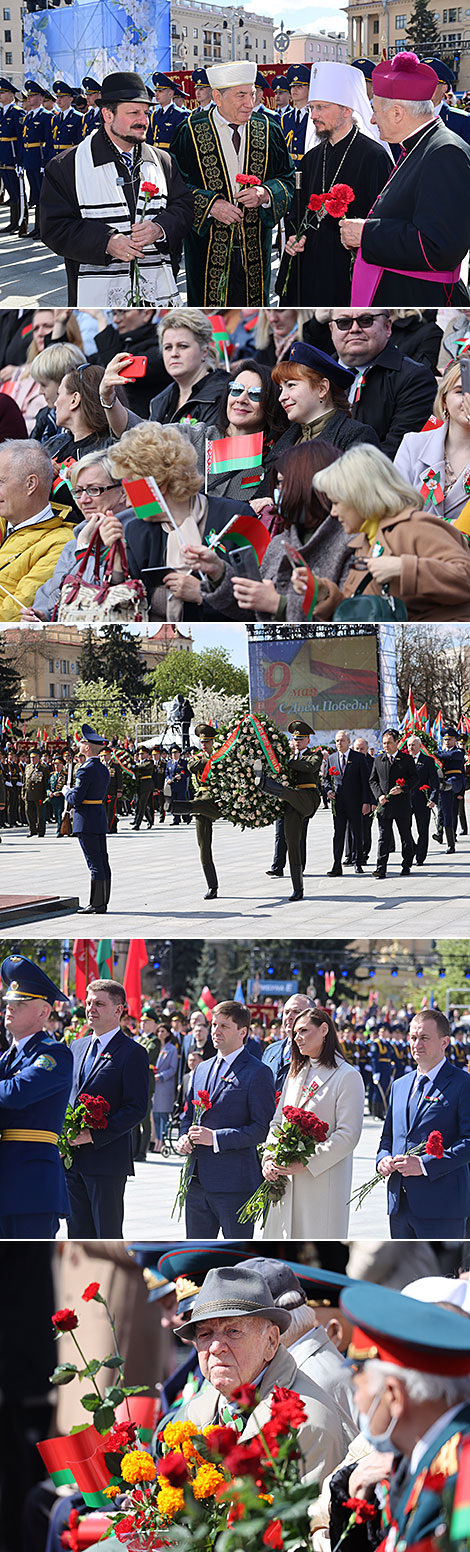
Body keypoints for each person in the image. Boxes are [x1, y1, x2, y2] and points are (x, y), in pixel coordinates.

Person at [180, 1264, 347, 1483]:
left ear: (271, 1341)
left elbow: (309, 1515)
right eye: (205, 1334)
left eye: (233, 1331)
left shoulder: (306, 1420)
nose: (215, 1347)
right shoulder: (199, 1412)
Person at [39, 71, 194, 306]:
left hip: (157, 292)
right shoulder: (66, 166)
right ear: (107, 114)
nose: (144, 120)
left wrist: (160, 228)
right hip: (96, 297)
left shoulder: (163, 160)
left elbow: (184, 208)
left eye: (146, 112)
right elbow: (53, 228)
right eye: (134, 112)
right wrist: (106, 242)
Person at [337, 1280, 470, 1552]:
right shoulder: (435, 1456)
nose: (357, 1399)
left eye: (358, 1385)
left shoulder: (461, 1474)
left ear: (394, 1396)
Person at [341, 53, 470, 305]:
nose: (372, 120)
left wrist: (366, 233)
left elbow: (438, 246)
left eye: (376, 111)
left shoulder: (445, 152)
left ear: (398, 113)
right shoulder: (419, 145)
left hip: (424, 297)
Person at [102, 420, 263, 619]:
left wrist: (203, 595)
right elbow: (125, 609)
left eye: (131, 487)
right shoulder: (136, 531)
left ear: (158, 486)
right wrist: (117, 560)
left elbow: (260, 606)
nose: (127, 503)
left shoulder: (238, 517)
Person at [171, 60, 295, 305]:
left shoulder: (268, 129)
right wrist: (210, 206)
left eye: (252, 94)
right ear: (217, 96)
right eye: (241, 95)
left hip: (255, 251)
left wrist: (265, 193)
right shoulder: (190, 131)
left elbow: (287, 178)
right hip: (206, 251)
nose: (250, 103)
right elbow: (174, 185)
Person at [308, 444, 470, 621]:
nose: (333, 512)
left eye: (337, 502)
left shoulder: (415, 526)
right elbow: (364, 610)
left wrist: (402, 568)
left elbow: (465, 577)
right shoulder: (364, 541)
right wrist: (324, 593)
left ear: (360, 497)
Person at [279, 61, 390, 303]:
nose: (314, 115)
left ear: (347, 110)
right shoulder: (312, 157)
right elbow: (297, 213)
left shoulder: (374, 157)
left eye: (321, 107)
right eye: (312, 108)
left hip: (347, 270)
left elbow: (383, 222)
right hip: (310, 265)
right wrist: (295, 238)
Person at [261, 1006, 364, 1237]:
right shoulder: (295, 1073)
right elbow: (277, 1121)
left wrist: (305, 1162)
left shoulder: (347, 1076)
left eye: (304, 1031)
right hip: (284, 1182)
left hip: (321, 1183)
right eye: (295, 1033)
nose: (297, 1038)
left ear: (324, 1029)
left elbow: (348, 1136)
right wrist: (268, 1157)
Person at [176, 1000, 275, 1238]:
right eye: (213, 1024)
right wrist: (183, 1136)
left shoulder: (258, 1072)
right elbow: (188, 1114)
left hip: (235, 1185)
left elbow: (261, 1128)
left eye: (224, 1026)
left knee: (237, 1254)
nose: (216, 1031)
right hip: (196, 1183)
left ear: (243, 1032)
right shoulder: (202, 1068)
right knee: (197, 1251)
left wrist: (217, 1139)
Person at [67, 977, 150, 1238]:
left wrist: (93, 1135)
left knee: (107, 1234)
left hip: (106, 1160)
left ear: (118, 1010)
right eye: (89, 1003)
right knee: (77, 1235)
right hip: (71, 1160)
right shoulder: (77, 1046)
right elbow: (68, 1096)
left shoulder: (132, 1052)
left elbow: (136, 1107)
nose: (91, 1009)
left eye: (99, 1004)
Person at [377, 1008, 470, 1237]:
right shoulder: (399, 1085)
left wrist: (425, 1164)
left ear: (444, 1042)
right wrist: (383, 1159)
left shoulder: (462, 1084)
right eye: (413, 1037)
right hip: (399, 1205)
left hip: (442, 1207)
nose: (417, 1044)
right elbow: (388, 1137)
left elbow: (468, 1141)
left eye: (425, 1038)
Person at [0, 954, 73, 1239]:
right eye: (9, 1003)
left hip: (32, 1183)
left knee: (28, 1266)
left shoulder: (53, 1053)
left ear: (43, 1013)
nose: (10, 1008)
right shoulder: (8, 1057)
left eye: (20, 1004)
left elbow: (17, 1094)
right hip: (7, 1175)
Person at [99, 309, 229, 438]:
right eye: (168, 347)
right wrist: (108, 397)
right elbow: (141, 438)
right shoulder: (159, 401)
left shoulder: (223, 392)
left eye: (183, 346)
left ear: (204, 351)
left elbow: (206, 448)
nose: (174, 354)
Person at [328, 309, 437, 458]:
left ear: (387, 327)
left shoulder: (415, 378)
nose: (354, 329)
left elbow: (398, 451)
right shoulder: (314, 374)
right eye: (343, 323)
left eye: (366, 320)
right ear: (331, 329)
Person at [187, 358, 287, 502]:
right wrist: (149, 513)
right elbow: (145, 436)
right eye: (236, 389)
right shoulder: (196, 437)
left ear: (271, 404)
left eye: (255, 394)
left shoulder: (275, 458)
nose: (241, 399)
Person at [0, 439, 75, 622]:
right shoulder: (5, 518)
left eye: (0, 482)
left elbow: (16, 611)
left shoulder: (60, 543)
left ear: (30, 484)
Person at [394, 362, 470, 528]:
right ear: (444, 401)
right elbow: (394, 510)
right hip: (409, 548)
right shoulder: (413, 444)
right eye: (460, 392)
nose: (468, 399)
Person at [254, 719, 323, 901]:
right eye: (295, 739)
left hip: (308, 798)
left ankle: (263, 784)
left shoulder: (315, 755)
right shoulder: (288, 758)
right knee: (292, 842)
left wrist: (286, 760)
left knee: (288, 793)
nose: (298, 742)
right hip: (292, 802)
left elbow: (309, 767)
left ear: (308, 740)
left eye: (301, 739)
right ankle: (297, 888)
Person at [88, 306, 170, 418]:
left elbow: (117, 369)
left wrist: (101, 319)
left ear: (146, 313)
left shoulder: (160, 346)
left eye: (122, 312)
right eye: (114, 313)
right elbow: (84, 364)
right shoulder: (120, 342)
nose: (116, 319)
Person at [64, 723, 111, 915]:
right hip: (98, 816)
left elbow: (76, 799)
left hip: (86, 819)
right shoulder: (103, 768)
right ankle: (102, 902)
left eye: (82, 742)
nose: (80, 744)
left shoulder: (84, 770)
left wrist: (67, 792)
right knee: (102, 861)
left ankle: (96, 904)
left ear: (87, 747)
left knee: (94, 863)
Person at [369, 728, 417, 879]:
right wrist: (379, 796)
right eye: (384, 743)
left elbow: (415, 778)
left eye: (389, 742)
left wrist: (403, 788)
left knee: (405, 835)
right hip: (385, 805)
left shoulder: (406, 759)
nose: (386, 746)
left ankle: (406, 864)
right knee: (384, 837)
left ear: (397, 742)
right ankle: (381, 868)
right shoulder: (378, 760)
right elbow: (373, 780)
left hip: (402, 805)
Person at [323, 730, 372, 876]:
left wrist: (366, 802)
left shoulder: (358, 758)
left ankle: (358, 862)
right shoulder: (331, 759)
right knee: (338, 834)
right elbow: (325, 780)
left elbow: (365, 781)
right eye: (337, 741)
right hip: (338, 804)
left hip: (355, 802)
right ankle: (336, 864)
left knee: (357, 833)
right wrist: (328, 791)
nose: (339, 743)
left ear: (348, 742)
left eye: (342, 740)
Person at [29, 342, 87, 442]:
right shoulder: (45, 415)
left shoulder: (85, 422)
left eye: (44, 385)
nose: (40, 392)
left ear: (64, 382)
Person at [262, 993, 311, 1091]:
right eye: (286, 1012)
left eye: (296, 1011)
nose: (289, 1016)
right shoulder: (271, 1050)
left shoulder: (315, 1052)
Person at [22, 80, 51, 239]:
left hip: (39, 160)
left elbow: (48, 141)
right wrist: (22, 161)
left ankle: (43, 228)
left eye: (33, 95)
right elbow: (23, 140)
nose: (29, 98)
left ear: (41, 98)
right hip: (30, 159)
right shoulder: (28, 116)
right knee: (35, 195)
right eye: (29, 96)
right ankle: (36, 226)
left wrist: (44, 162)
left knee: (42, 195)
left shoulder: (46, 116)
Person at [407, 733, 439, 865]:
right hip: (406, 801)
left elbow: (434, 782)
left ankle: (420, 856)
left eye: (413, 745)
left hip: (422, 801)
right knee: (405, 829)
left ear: (420, 746)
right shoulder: (404, 760)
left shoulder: (428, 761)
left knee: (423, 829)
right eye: (409, 745)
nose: (411, 747)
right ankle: (414, 848)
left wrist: (432, 798)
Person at [0, 78, 26, 236]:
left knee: (18, 191)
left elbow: (21, 138)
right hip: (3, 157)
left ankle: (20, 221)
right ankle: (12, 222)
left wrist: (20, 160)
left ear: (11, 95)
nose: (0, 95)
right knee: (10, 191)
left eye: (3, 92)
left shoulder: (17, 112)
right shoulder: (2, 112)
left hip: (13, 157)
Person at [435, 725, 467, 854]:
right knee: (445, 811)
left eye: (450, 739)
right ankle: (444, 835)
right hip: (444, 783)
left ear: (455, 740)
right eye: (445, 739)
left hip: (455, 781)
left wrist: (462, 791)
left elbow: (449, 756)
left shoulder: (459, 752)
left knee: (448, 811)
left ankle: (449, 840)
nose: (447, 741)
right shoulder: (442, 752)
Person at [152, 1023, 178, 1152]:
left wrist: (160, 1076)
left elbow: (173, 1068)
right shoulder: (155, 1047)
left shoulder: (171, 1049)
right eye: (158, 1031)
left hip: (164, 1085)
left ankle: (162, 1141)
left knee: (163, 1115)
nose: (160, 1034)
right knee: (155, 1115)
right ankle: (156, 1140)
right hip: (154, 1086)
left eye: (162, 1031)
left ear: (168, 1033)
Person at [44, 82, 83, 162]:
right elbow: (50, 142)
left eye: (62, 97)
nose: (58, 100)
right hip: (55, 157)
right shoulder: (55, 118)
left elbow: (79, 141)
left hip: (69, 158)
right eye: (57, 97)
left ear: (71, 99)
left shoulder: (78, 117)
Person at [146, 72, 186, 150]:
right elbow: (150, 140)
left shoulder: (180, 114)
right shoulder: (155, 115)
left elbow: (182, 144)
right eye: (156, 91)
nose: (156, 94)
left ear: (170, 94)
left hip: (170, 157)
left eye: (160, 91)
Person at [280, 64, 311, 162]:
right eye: (292, 86)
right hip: (290, 168)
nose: (294, 89)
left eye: (299, 86)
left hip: (309, 166)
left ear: (309, 88)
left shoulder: (314, 116)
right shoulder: (285, 118)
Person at [22, 747, 47, 838]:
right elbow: (25, 781)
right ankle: (32, 830)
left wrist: (45, 794)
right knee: (29, 812)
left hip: (39, 793)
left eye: (34, 757)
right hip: (28, 794)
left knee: (40, 814)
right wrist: (23, 792)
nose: (32, 759)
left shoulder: (43, 768)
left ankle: (41, 831)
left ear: (38, 758)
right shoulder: (28, 767)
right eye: (31, 758)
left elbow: (45, 782)